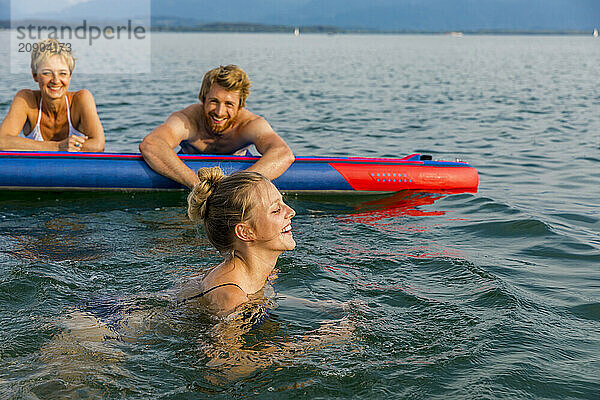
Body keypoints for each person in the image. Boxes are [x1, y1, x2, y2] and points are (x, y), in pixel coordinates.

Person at [139, 65, 294, 189]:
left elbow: (283, 154)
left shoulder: (250, 124)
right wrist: (197, 184)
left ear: (240, 106)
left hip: (238, 174)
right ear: (203, 98)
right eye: (214, 101)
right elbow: (152, 144)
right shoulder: (187, 120)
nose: (219, 112)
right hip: (190, 177)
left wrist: (236, 185)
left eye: (229, 104)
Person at [178, 166, 296, 316]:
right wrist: (320, 337)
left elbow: (262, 301)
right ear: (245, 232)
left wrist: (323, 308)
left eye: (283, 203)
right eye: (276, 210)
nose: (291, 212)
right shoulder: (231, 298)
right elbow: (220, 340)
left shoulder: (264, 273)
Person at [0, 38, 105, 152]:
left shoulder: (81, 99)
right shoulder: (26, 99)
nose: (56, 80)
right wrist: (58, 147)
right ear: (35, 75)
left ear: (70, 76)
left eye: (62, 73)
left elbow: (98, 145)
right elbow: (2, 142)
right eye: (47, 73)